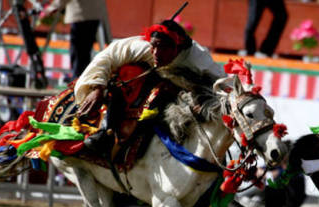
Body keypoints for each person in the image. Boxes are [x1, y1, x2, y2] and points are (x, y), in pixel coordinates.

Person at [74, 19, 225, 153]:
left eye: (163, 48)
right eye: (154, 47)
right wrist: (98, 88)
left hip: (180, 95)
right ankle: (106, 131)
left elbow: (222, 86)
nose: (156, 53)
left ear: (177, 48)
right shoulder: (143, 47)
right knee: (130, 72)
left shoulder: (199, 62)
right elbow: (106, 57)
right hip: (140, 84)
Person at [42, 0, 107, 79]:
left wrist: (51, 8)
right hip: (94, 14)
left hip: (80, 14)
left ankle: (76, 81)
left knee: (78, 53)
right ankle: (83, 80)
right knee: (85, 52)